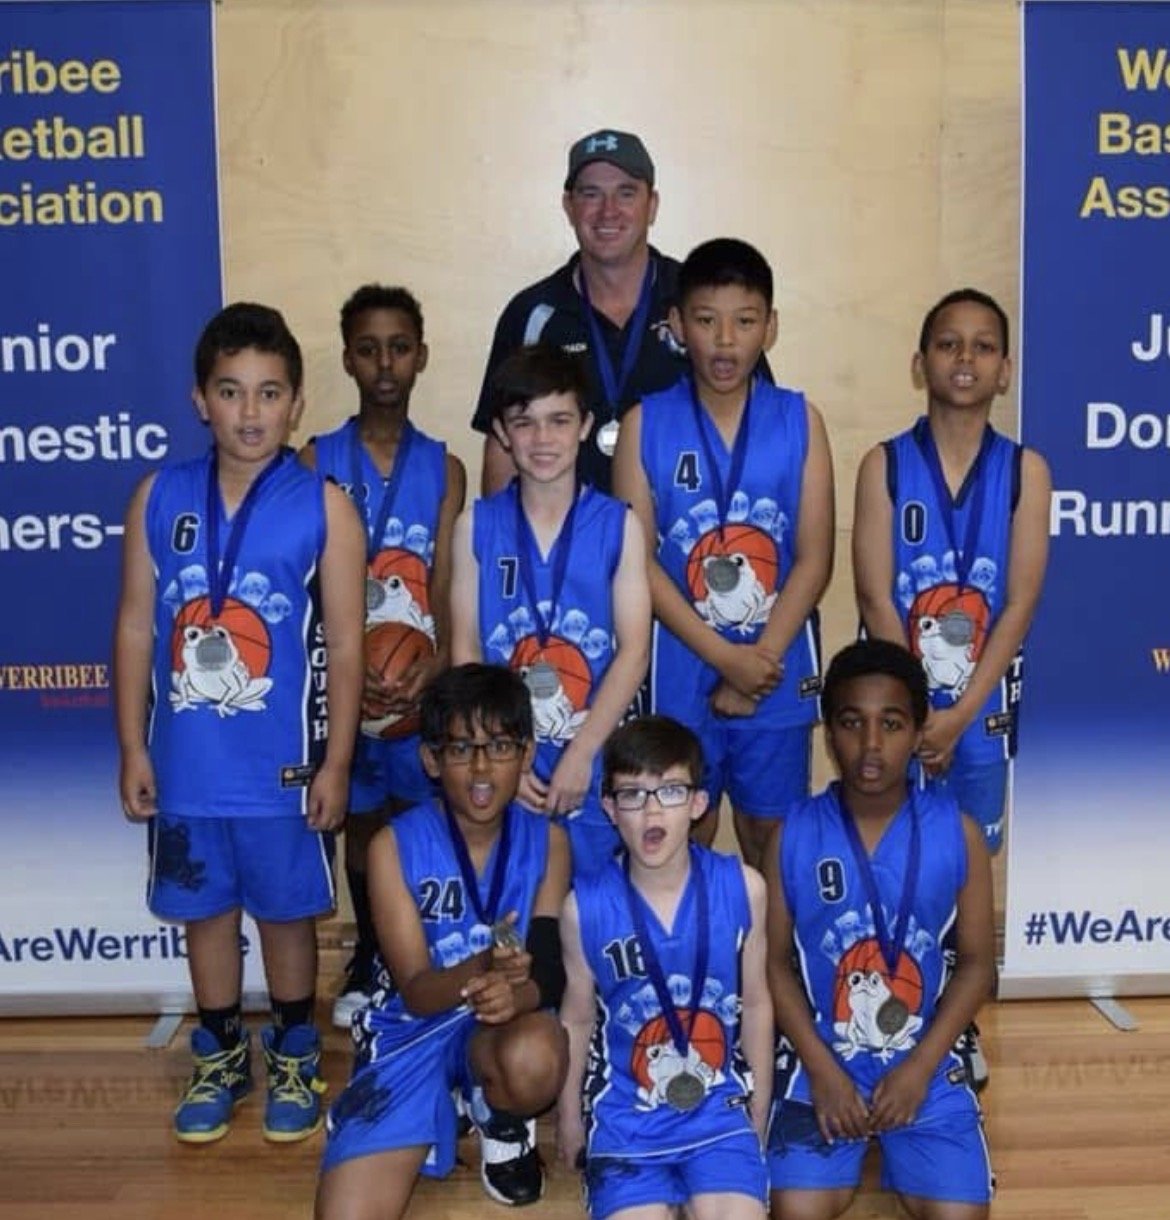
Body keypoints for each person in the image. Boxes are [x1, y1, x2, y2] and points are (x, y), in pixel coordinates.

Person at [113, 302, 367, 1144]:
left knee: (288, 914)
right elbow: (134, 625)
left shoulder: (325, 505)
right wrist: (130, 747)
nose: (250, 412)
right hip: (188, 765)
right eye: (231, 391)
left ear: (296, 403)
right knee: (206, 915)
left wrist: (335, 764)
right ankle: (220, 1050)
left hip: (282, 769)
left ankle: (295, 1047)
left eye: (269, 393)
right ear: (200, 400)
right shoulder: (160, 496)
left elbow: (347, 645)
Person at [315, 664, 571, 1218]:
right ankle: (437, 1101)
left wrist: (518, 996)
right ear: (431, 760)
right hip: (414, 1027)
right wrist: (486, 966)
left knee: (537, 1054)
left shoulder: (549, 841)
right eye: (460, 749)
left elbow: (549, 971)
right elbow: (417, 991)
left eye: (499, 745)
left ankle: (499, 1118)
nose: (481, 767)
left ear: (527, 755)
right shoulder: (392, 846)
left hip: (499, 1027)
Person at [614, 238, 834, 868]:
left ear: (770, 326)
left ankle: (772, 970)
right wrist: (722, 659)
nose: (725, 342)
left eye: (744, 321)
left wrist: (757, 662)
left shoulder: (800, 420)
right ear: (678, 326)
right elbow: (638, 563)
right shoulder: (643, 424)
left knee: (773, 837)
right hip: (681, 667)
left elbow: (815, 557)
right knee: (679, 838)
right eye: (706, 321)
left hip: (777, 670)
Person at [764, 639, 995, 1220]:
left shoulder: (957, 831)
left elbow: (975, 965)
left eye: (891, 724)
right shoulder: (791, 835)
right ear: (827, 732)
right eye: (851, 723)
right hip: (824, 1054)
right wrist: (822, 1070)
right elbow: (771, 965)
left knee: (961, 1216)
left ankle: (930, 1112)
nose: (871, 745)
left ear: (918, 732)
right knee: (796, 1208)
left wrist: (918, 1072)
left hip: (923, 1055)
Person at [300, 285, 467, 1029]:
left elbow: (443, 586)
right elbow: (305, 581)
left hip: (415, 685)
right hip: (347, 682)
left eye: (399, 346)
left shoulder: (446, 467)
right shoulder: (315, 459)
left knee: (418, 821)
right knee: (359, 827)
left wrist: (428, 673)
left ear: (421, 356)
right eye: (368, 349)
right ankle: (368, 953)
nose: (385, 363)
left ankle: (417, 959)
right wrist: (348, 673)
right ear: (348, 360)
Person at [852, 287, 1051, 857]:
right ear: (920, 365)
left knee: (970, 860)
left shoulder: (1026, 472)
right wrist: (919, 712)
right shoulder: (883, 464)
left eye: (983, 347)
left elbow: (1020, 603)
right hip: (894, 702)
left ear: (1005, 370)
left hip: (981, 702)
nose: (965, 359)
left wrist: (958, 715)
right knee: (890, 850)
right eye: (948, 345)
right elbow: (874, 598)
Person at [557, 715, 772, 1220]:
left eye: (670, 791)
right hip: (627, 1118)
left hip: (718, 1110)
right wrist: (570, 1115)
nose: (652, 810)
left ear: (698, 803)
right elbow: (577, 1018)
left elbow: (758, 1003)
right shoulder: (582, 908)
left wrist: (758, 1109)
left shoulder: (745, 888)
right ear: (609, 809)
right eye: (633, 795)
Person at [451, 343, 651, 876]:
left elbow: (634, 651)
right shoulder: (475, 526)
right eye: (525, 422)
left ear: (586, 425)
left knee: (592, 914)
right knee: (513, 919)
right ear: (500, 432)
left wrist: (583, 754)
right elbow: (466, 651)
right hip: (503, 759)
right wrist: (500, 757)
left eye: (559, 421)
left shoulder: (619, 526)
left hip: (594, 752)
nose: (543, 440)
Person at [471, 128, 690, 495]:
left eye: (626, 192)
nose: (608, 211)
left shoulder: (698, 299)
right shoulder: (531, 314)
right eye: (591, 194)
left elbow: (751, 418)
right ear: (569, 207)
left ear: (652, 205)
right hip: (567, 547)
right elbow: (503, 448)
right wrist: (505, 547)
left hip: (682, 543)